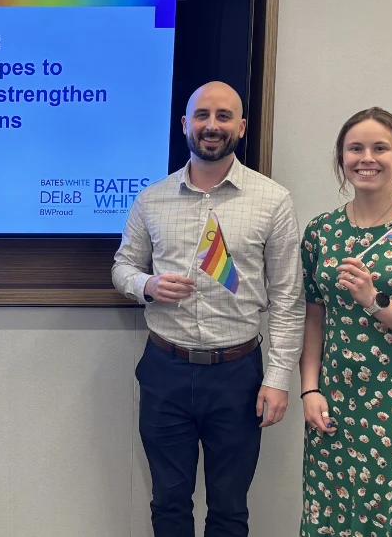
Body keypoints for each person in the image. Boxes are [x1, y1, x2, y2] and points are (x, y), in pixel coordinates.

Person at [112, 81, 305, 536]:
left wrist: (277, 380)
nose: (211, 126)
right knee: (169, 506)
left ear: (240, 126)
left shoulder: (272, 200)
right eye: (202, 115)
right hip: (165, 369)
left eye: (223, 116)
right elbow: (122, 267)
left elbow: (289, 300)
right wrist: (148, 284)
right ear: (185, 124)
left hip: (238, 375)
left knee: (230, 510)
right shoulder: (151, 199)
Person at [298, 108, 392, 535]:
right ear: (341, 157)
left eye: (380, 148)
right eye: (355, 148)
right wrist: (310, 388)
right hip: (336, 403)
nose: (368, 158)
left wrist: (374, 300)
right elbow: (314, 317)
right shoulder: (322, 232)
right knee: (334, 513)